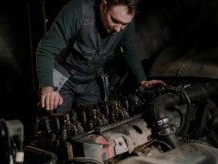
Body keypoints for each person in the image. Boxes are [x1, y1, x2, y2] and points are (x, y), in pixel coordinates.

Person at [36, 0, 165, 114]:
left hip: (91, 81)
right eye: (114, 20)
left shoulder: (126, 21)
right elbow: (45, 49)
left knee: (95, 125)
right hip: (64, 79)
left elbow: (129, 50)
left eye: (124, 24)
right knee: (58, 128)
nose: (118, 29)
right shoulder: (77, 9)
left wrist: (142, 81)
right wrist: (47, 88)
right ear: (103, 6)